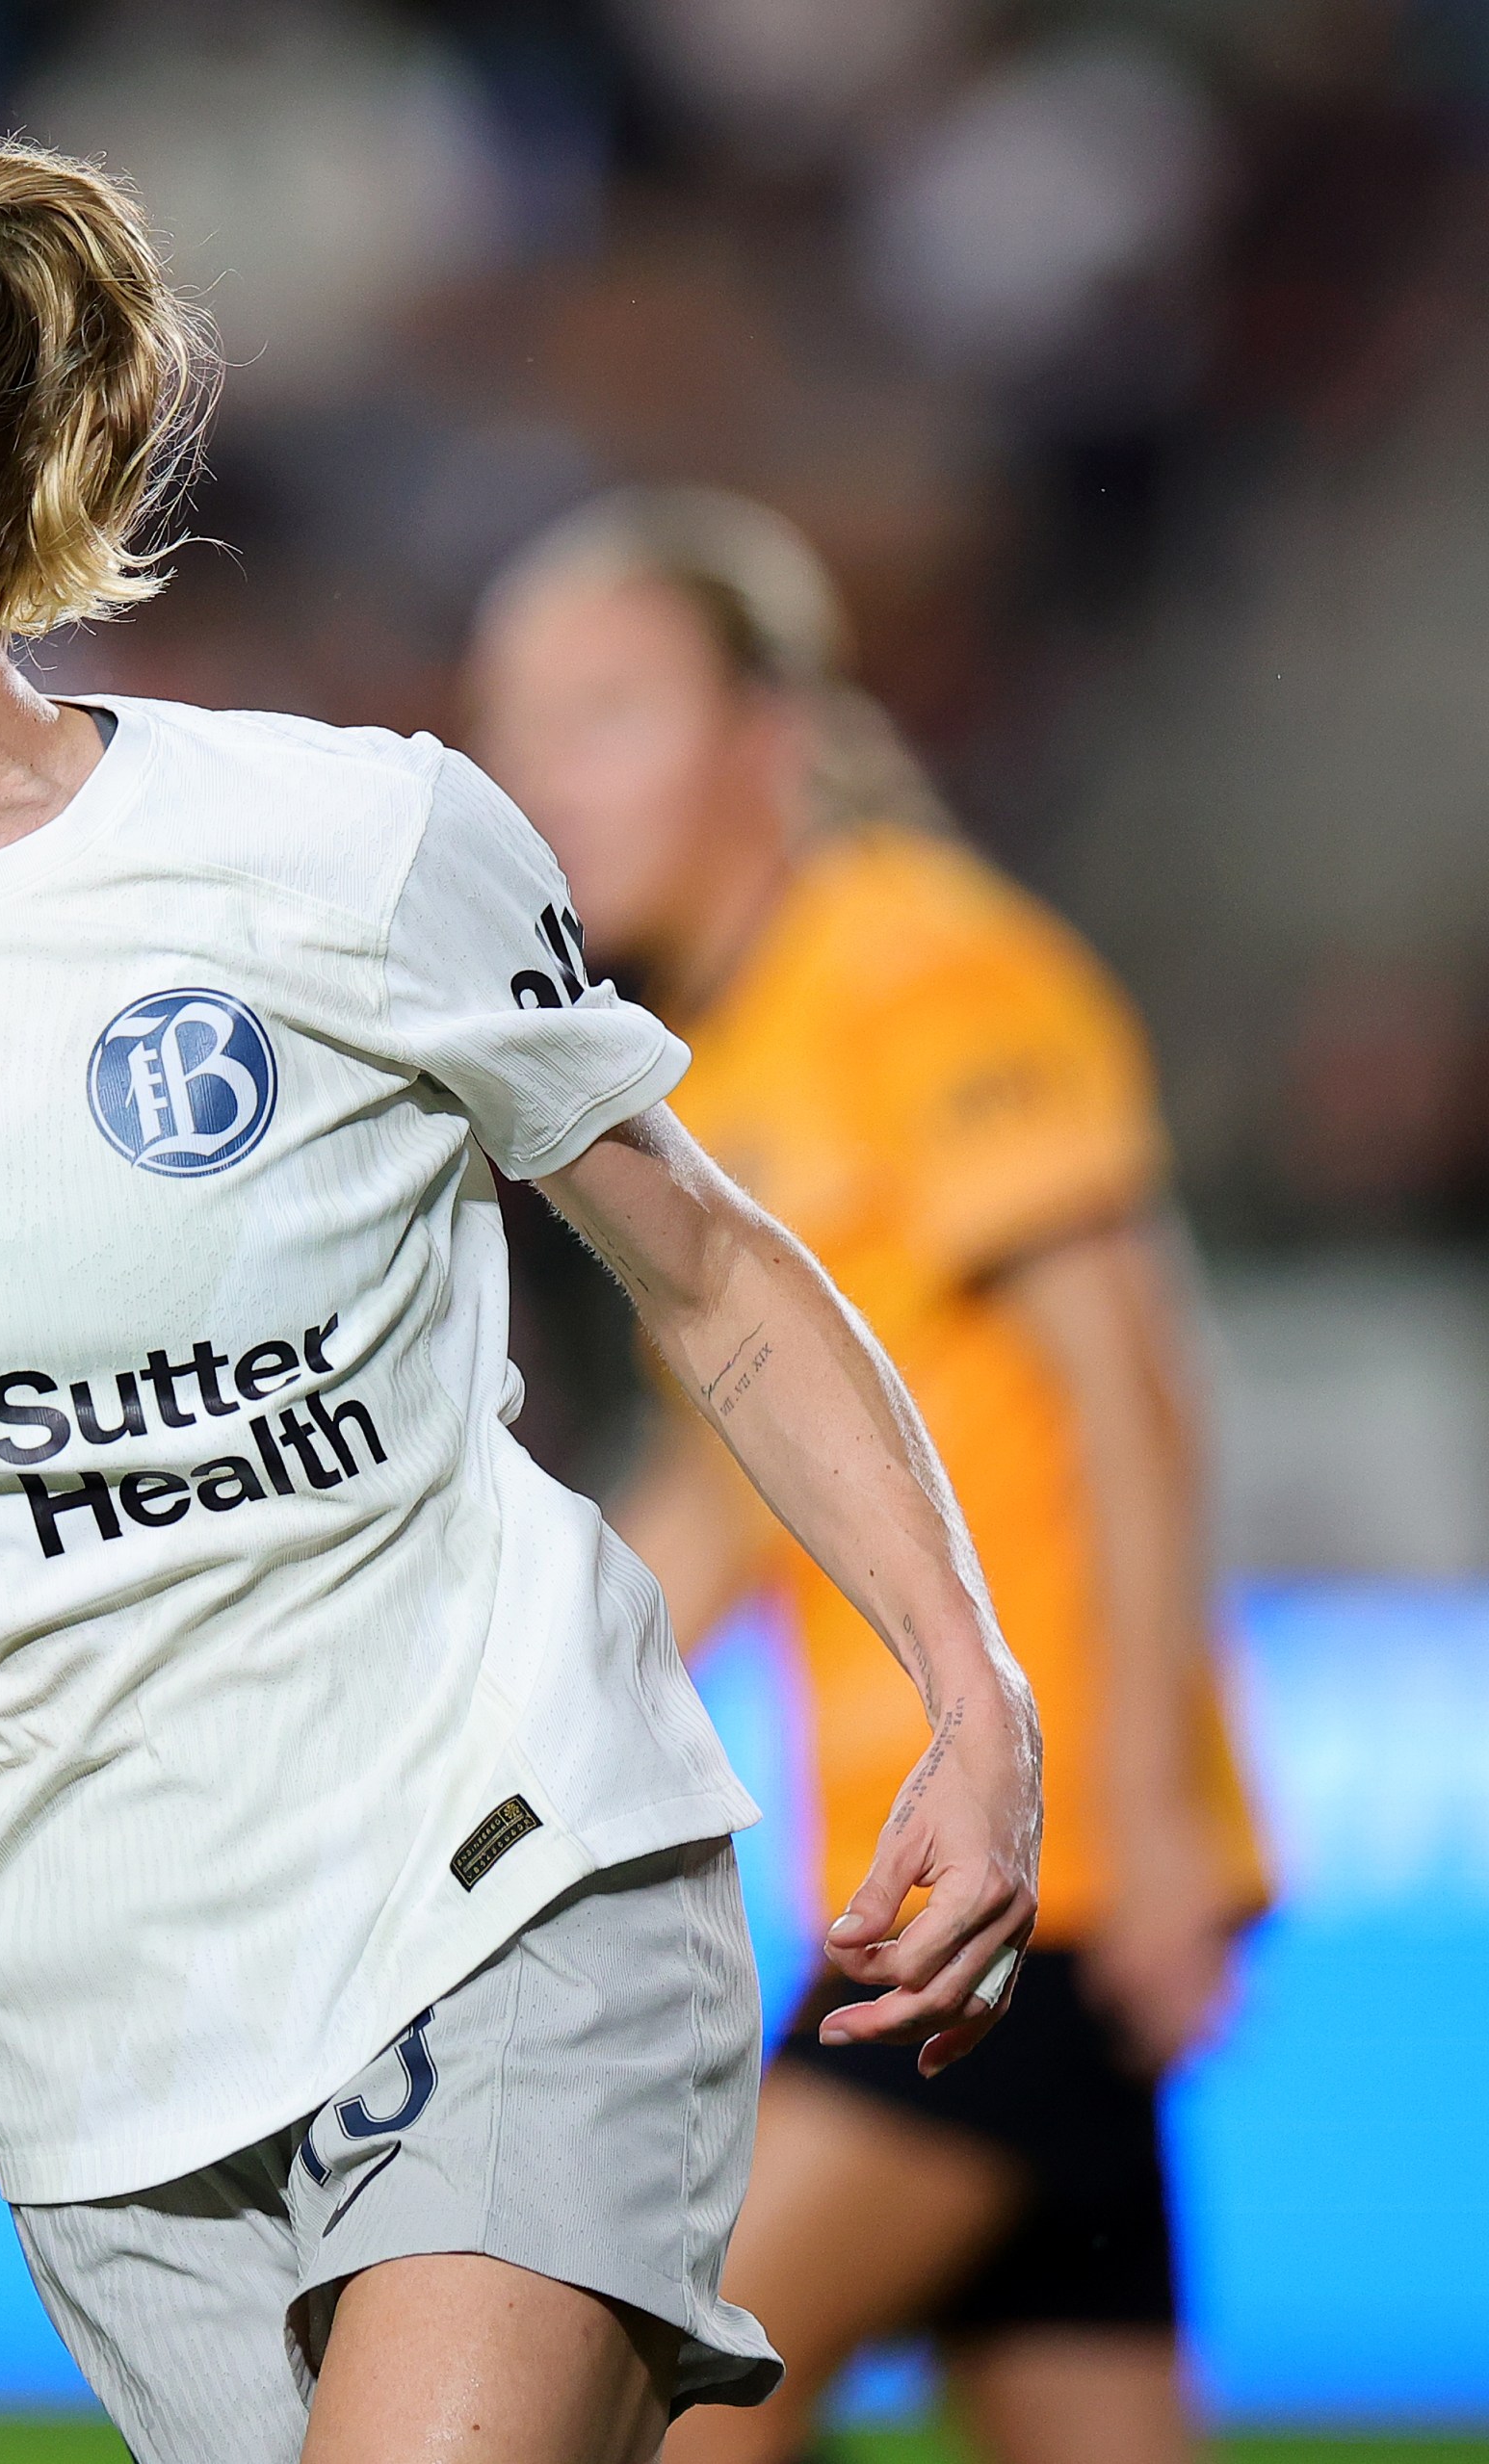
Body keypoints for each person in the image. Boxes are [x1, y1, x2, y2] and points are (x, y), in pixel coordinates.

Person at [0, 143, 1040, 2464]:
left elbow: (711, 1269)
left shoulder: (345, 848)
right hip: (90, 2042)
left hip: (513, 1874)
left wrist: (964, 1681)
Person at [469, 490, 1267, 2464]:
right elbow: (735, 1507)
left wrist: (1157, 1818)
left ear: (771, 730)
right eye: (518, 721)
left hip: (1041, 1873)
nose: (540, 776)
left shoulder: (926, 964)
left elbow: (1133, 1390)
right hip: (937, 1878)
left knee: (672, 2409)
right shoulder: (705, 1063)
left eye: (604, 711)